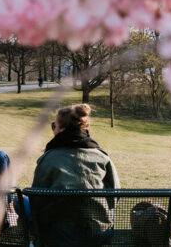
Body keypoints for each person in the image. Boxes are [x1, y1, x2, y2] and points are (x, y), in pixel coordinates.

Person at [30, 104, 119, 246]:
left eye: (54, 126)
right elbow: (114, 196)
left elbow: (37, 201)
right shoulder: (102, 157)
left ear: (62, 129)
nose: (53, 129)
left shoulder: (48, 159)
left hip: (59, 235)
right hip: (98, 233)